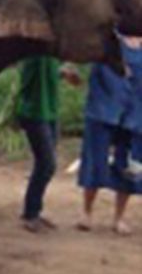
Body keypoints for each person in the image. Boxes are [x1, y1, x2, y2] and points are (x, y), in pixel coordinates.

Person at [78, 36, 142, 234]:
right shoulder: (108, 39)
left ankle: (119, 217)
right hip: (103, 108)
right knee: (95, 161)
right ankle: (86, 213)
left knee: (129, 167)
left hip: (135, 113)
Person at [16, 55, 78, 231]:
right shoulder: (35, 55)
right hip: (35, 114)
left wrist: (62, 73)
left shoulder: (51, 56)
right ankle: (30, 214)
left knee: (44, 165)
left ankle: (33, 211)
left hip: (50, 113)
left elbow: (52, 70)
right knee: (47, 164)